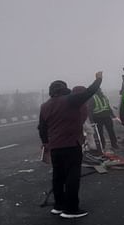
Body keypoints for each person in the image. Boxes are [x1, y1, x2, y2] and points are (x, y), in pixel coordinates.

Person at [38, 72, 102, 219]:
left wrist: (45, 143)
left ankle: (58, 206)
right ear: (64, 89)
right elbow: (89, 92)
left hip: (55, 147)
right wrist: (98, 79)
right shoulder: (69, 100)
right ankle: (71, 209)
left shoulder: (45, 106)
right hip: (71, 145)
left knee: (58, 177)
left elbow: (41, 128)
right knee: (72, 177)